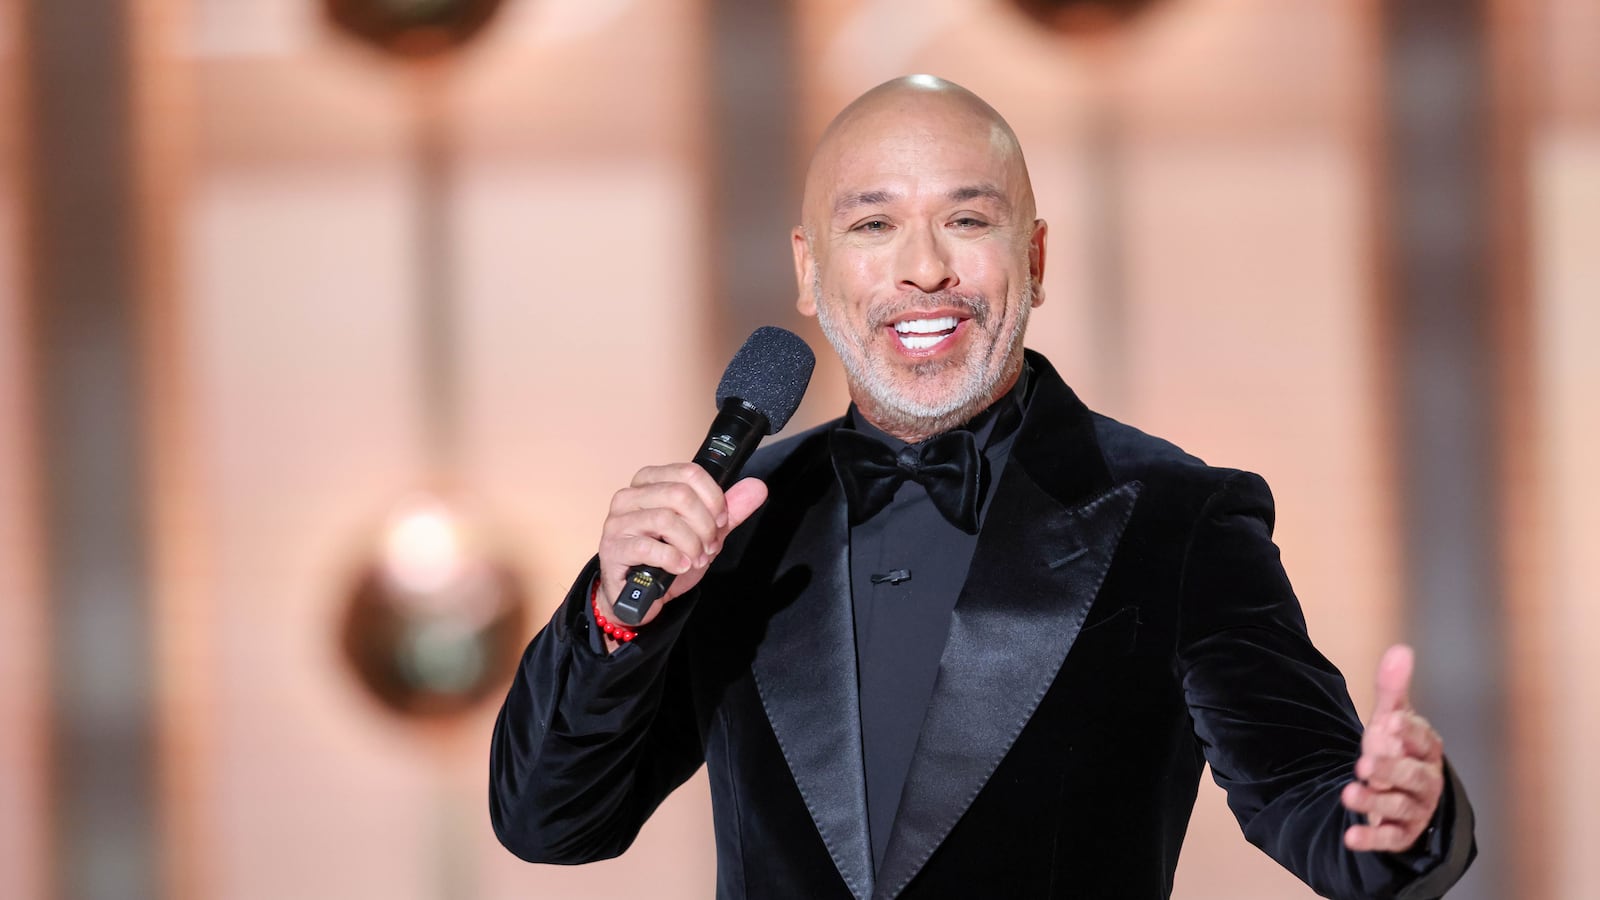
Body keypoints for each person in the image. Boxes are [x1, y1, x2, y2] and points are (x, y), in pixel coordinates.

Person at [489, 75, 1476, 899]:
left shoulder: (1177, 515)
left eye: (967, 218)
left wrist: (1395, 820)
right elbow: (550, 822)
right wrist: (611, 623)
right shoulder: (732, 520)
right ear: (808, 268)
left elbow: (1312, 797)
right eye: (873, 223)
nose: (923, 270)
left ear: (1034, 257)